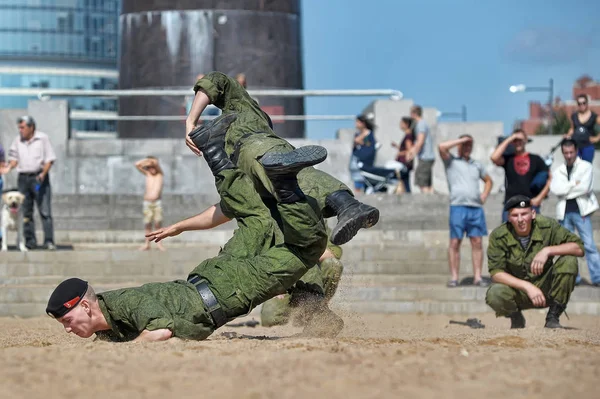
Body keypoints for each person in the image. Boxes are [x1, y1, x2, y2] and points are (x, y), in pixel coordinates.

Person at [46, 118, 339, 341]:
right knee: (251, 216)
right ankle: (213, 148)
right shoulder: (111, 323)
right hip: (217, 277)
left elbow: (160, 332)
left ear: (85, 307)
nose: (68, 330)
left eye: (67, 321)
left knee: (307, 248)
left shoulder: (125, 303)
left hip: (228, 290)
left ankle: (284, 183)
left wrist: (138, 343)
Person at [185, 71, 379, 246]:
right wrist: (178, 227)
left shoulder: (242, 107)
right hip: (258, 164)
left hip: (254, 147)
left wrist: (190, 120)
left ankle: (347, 206)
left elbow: (215, 79)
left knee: (289, 174)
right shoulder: (238, 142)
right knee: (293, 195)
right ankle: (344, 208)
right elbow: (226, 207)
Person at [485, 195, 584, 329]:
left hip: (547, 289)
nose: (520, 220)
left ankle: (553, 317)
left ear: (532, 214)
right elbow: (496, 273)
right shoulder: (499, 235)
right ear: (508, 217)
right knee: (494, 294)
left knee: (569, 261)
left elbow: (578, 248)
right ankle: (516, 318)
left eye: (524, 214)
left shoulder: (547, 226)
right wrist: (527, 286)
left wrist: (548, 250)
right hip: (519, 292)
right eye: (515, 215)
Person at [439, 135, 493, 287]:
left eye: (470, 145)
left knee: (477, 242)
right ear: (458, 146)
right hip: (458, 207)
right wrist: (461, 140)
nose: (467, 148)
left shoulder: (477, 165)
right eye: (465, 145)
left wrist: (484, 195)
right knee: (455, 242)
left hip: (475, 208)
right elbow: (441, 147)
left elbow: (489, 180)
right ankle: (454, 277)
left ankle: (477, 277)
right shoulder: (451, 162)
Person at [0, 116, 56, 250]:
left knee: (44, 210)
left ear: (31, 128)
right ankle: (30, 241)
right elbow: (14, 158)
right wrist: (8, 167)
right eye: (19, 128)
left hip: (38, 177)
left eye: (23, 127)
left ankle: (48, 241)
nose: (20, 130)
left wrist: (43, 173)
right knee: (26, 210)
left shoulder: (42, 138)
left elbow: (50, 159)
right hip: (23, 178)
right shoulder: (17, 140)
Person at [550, 138, 600, 287]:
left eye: (571, 152)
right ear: (562, 153)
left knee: (589, 245)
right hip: (564, 213)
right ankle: (573, 277)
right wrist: (573, 184)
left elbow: (585, 188)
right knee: (567, 247)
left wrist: (566, 189)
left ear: (576, 151)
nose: (569, 155)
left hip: (582, 212)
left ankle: (597, 277)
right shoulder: (558, 170)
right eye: (566, 153)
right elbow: (556, 190)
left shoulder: (585, 166)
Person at [490, 129, 551, 222]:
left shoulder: (536, 159)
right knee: (507, 236)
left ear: (526, 140)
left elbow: (549, 179)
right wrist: (511, 138)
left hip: (530, 205)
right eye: (515, 140)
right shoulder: (508, 159)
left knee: (533, 236)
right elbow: (494, 157)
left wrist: (539, 198)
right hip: (511, 205)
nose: (518, 142)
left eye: (520, 140)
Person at [135, 156, 165, 251]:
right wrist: (146, 162)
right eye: (149, 167)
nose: (151, 169)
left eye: (152, 167)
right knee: (147, 224)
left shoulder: (160, 174)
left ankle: (159, 244)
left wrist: (151, 162)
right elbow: (137, 164)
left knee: (157, 223)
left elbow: (155, 162)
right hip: (147, 203)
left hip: (157, 203)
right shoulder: (148, 174)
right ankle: (147, 244)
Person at [407, 105, 435, 194]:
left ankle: (427, 203)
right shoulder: (422, 124)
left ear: (414, 113)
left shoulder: (421, 124)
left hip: (425, 157)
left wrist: (412, 154)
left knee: (422, 182)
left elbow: (420, 141)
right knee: (428, 184)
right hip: (427, 157)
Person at [565, 94, 600, 162]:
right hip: (575, 146)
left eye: (584, 103)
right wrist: (568, 135)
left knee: (586, 167)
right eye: (579, 103)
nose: (582, 105)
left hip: (588, 146)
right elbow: (572, 129)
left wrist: (597, 138)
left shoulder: (594, 116)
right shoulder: (574, 116)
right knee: (575, 167)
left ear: (587, 103)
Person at [350, 115, 377, 193]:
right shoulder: (358, 133)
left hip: (365, 162)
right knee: (357, 182)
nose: (356, 124)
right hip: (357, 160)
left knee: (366, 181)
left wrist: (362, 137)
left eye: (358, 122)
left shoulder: (368, 133)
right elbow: (356, 143)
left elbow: (369, 145)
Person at [391, 116, 414, 194]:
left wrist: (399, 153)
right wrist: (397, 147)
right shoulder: (408, 136)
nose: (400, 125)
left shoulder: (408, 136)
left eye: (402, 123)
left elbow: (409, 150)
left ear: (406, 124)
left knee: (405, 182)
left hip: (404, 164)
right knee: (405, 182)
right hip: (404, 163)